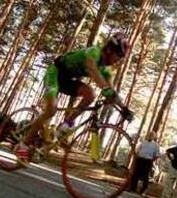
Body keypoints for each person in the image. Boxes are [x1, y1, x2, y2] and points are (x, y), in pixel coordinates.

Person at [15, 33, 134, 161]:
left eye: (122, 57)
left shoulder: (106, 70)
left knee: (90, 94)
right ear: (110, 50)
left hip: (68, 80)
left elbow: (112, 92)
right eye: (119, 55)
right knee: (51, 110)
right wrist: (105, 89)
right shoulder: (94, 52)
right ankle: (22, 145)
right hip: (55, 73)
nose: (120, 59)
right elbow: (92, 70)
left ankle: (66, 124)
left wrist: (124, 109)